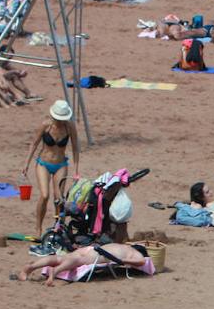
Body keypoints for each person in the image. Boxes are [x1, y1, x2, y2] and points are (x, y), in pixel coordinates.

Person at [23, 100, 80, 239]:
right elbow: (34, 143)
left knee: (58, 198)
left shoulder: (69, 127)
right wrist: (26, 163)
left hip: (61, 164)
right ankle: (38, 228)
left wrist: (76, 170)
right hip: (44, 163)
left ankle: (57, 227)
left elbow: (75, 147)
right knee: (44, 195)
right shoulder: (45, 125)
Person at [17, 242, 152, 285]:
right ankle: (55, 272)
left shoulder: (122, 245)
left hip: (92, 248)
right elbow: (141, 261)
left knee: (60, 258)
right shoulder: (136, 253)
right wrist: (123, 261)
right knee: (78, 261)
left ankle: (31, 267)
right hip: (99, 255)